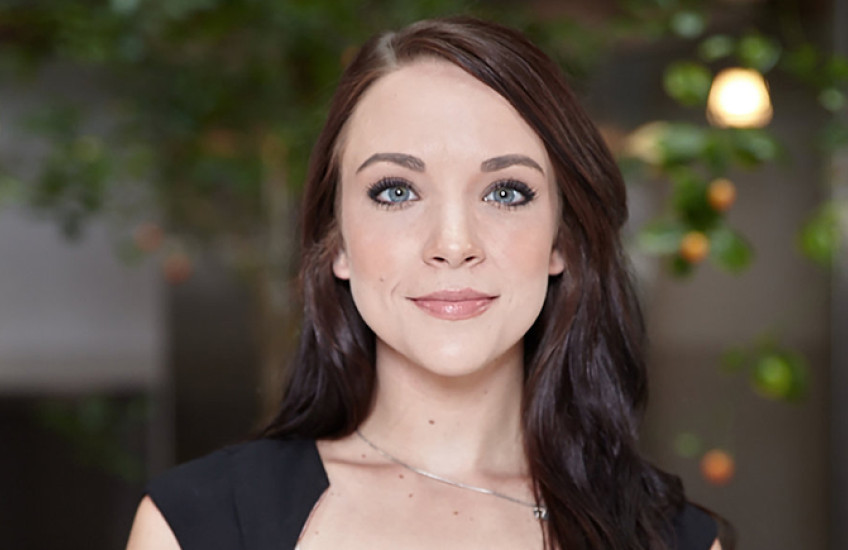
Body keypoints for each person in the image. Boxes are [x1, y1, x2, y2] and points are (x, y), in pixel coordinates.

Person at [126, 16, 727, 550]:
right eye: (395, 191)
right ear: (336, 242)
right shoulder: (200, 524)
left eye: (506, 192)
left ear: (561, 242)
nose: (453, 245)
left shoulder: (666, 536)